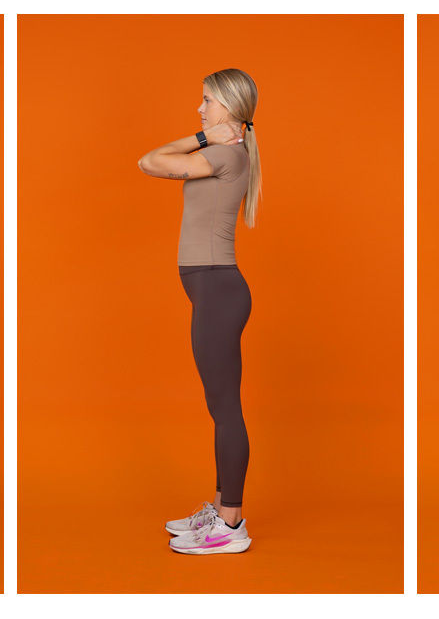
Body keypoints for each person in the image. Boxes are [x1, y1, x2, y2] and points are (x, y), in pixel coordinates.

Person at [137, 68, 263, 555]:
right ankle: (220, 507)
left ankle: (231, 526)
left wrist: (198, 137)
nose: (200, 108)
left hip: (217, 291)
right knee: (219, 407)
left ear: (228, 107)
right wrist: (202, 135)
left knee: (225, 409)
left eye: (206, 100)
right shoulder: (225, 151)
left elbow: (149, 161)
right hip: (212, 289)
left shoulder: (224, 153)